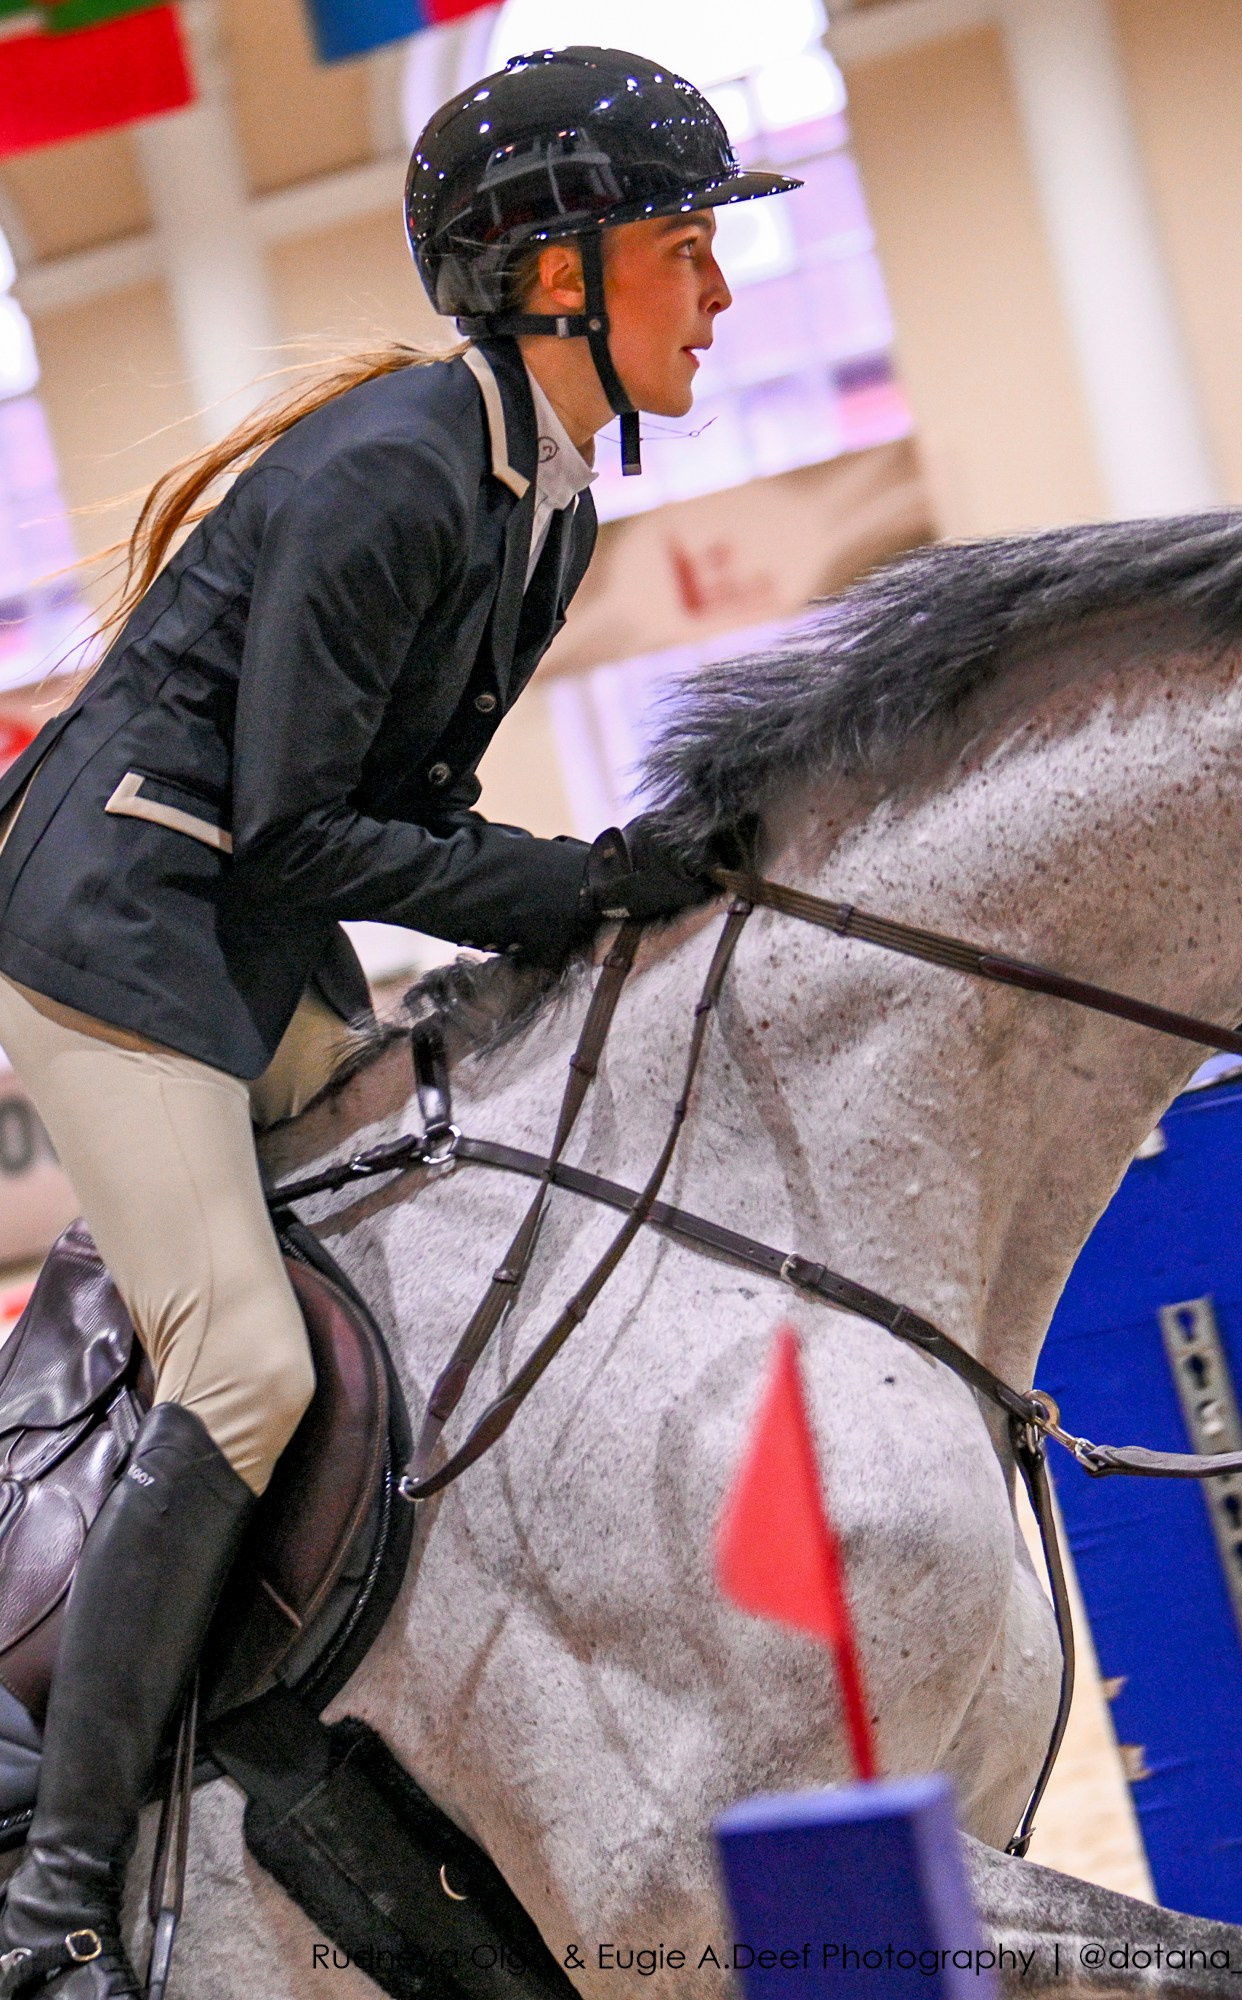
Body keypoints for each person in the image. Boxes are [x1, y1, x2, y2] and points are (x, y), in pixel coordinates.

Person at [0, 47, 796, 1998]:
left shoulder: (549, 506)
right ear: (556, 279)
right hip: (111, 920)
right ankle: (55, 1895)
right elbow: (304, 821)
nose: (720, 291)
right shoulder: (391, 475)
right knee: (244, 1370)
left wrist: (590, 896)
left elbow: (408, 807)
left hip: (244, 923)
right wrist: (574, 886)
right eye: (685, 249)